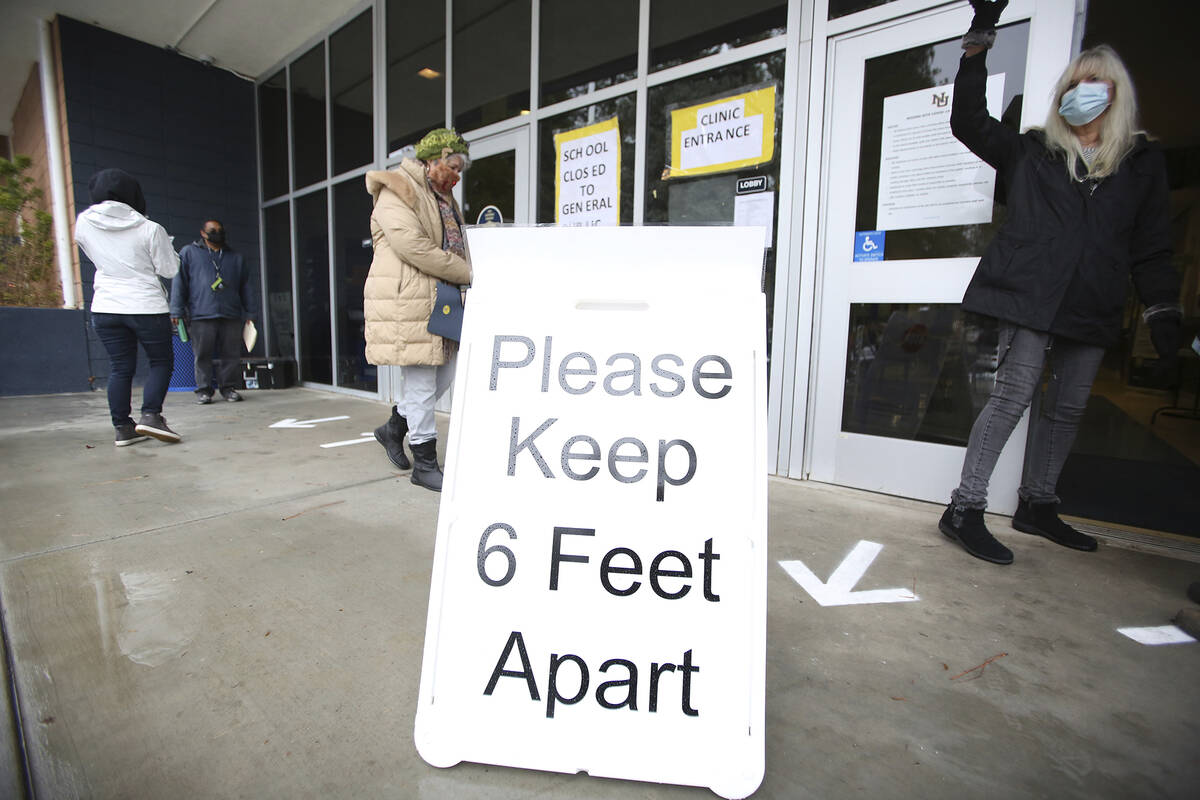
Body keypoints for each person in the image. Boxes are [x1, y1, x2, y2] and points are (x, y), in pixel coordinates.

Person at [938, 0, 1182, 565]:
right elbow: (968, 123)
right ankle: (964, 508)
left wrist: (1162, 309)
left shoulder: (1140, 163)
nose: (1082, 91)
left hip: (1093, 298)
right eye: (1074, 82)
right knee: (1012, 396)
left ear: (1115, 93)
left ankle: (1038, 505)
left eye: (1094, 82)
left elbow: (1150, 245)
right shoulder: (1033, 151)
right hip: (1030, 295)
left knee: (1068, 408)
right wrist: (978, 44)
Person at [363, 128, 472, 492]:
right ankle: (424, 463)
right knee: (424, 382)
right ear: (432, 158)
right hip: (409, 298)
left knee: (446, 375)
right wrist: (470, 274)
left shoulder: (443, 196)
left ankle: (393, 428)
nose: (456, 175)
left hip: (440, 297)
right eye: (452, 165)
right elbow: (414, 247)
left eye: (459, 170)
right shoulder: (398, 189)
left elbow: (455, 243)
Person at [76, 168, 182, 446]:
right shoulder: (150, 229)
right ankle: (151, 416)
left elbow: (92, 253)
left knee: (120, 367)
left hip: (106, 305)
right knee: (161, 362)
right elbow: (169, 269)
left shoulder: (84, 223)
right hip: (145, 304)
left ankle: (123, 427)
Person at [171, 220, 257, 403]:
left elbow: (246, 287)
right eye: (213, 231)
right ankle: (204, 389)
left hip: (230, 313)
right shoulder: (189, 253)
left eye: (220, 230)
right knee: (202, 354)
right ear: (203, 233)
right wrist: (176, 311)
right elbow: (180, 284)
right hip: (201, 313)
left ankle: (228, 388)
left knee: (231, 354)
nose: (217, 233)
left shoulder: (235, 257)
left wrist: (250, 313)